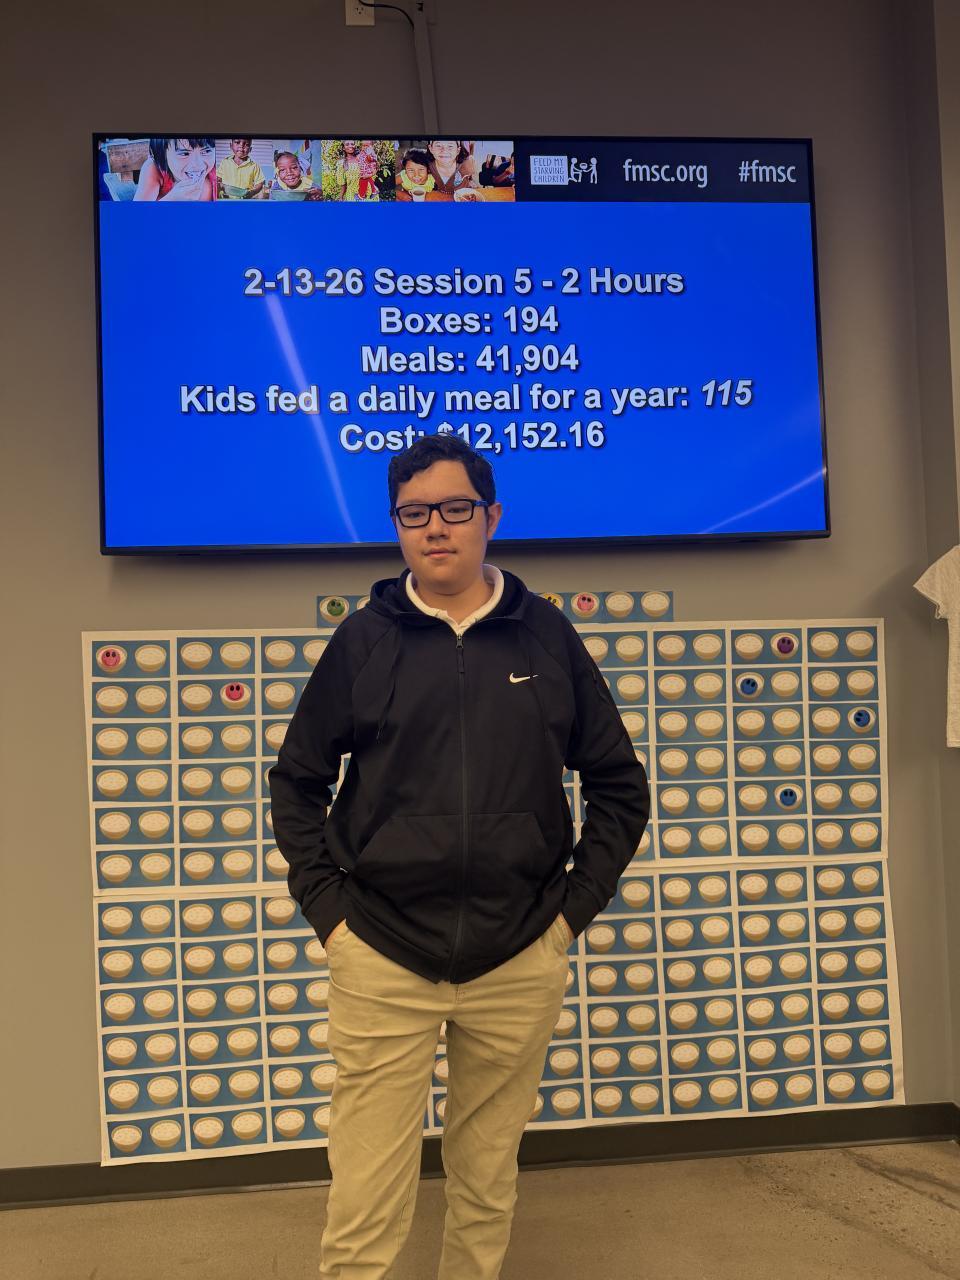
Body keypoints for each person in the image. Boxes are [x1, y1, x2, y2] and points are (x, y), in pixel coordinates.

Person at [270, 434, 650, 1279]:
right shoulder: (364, 641)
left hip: (518, 953)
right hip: (382, 953)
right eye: (414, 514)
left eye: (454, 509)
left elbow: (620, 785)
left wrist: (567, 916)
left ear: (491, 517)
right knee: (365, 1195)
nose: (435, 528)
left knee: (486, 1178)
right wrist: (332, 917)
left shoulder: (546, 636)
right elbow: (296, 782)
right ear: (395, 526)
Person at [133, 136, 217, 200]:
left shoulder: (218, 173)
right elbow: (137, 216)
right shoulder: (154, 169)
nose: (198, 164)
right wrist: (172, 199)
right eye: (184, 153)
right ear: (163, 155)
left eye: (206, 151)